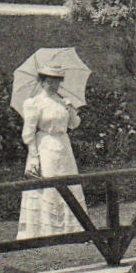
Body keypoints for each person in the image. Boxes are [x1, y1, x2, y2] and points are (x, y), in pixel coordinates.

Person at [16, 65, 86, 239]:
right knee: (48, 186)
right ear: (41, 81)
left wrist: (70, 108)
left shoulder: (62, 100)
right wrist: (34, 157)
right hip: (45, 147)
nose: (53, 84)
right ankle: (47, 230)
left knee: (69, 183)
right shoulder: (34, 103)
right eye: (49, 81)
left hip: (64, 147)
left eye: (57, 81)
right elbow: (28, 133)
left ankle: (72, 229)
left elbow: (74, 124)